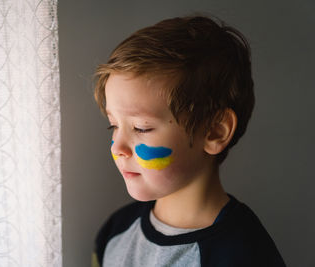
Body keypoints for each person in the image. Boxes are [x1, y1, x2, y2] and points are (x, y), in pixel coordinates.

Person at [91, 14, 285, 267]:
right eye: (114, 125)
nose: (118, 147)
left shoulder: (243, 253)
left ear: (214, 132)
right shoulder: (115, 231)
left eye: (142, 128)